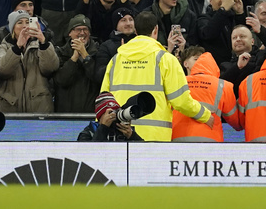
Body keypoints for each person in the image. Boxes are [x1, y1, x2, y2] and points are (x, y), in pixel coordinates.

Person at [100, 11, 214, 141]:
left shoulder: (116, 59)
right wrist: (205, 115)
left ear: (135, 30)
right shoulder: (166, 59)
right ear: (156, 30)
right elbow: (181, 101)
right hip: (154, 137)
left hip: (118, 133)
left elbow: (104, 100)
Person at [0, 9, 59, 113]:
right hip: (10, 108)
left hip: (39, 107)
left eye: (28, 22)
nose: (25, 26)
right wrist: (17, 48)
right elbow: (2, 70)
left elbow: (51, 68)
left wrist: (43, 43)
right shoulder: (4, 47)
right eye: (20, 22)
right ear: (12, 28)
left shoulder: (42, 45)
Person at [77, 91, 144, 142]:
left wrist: (132, 136)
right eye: (110, 112)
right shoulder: (89, 132)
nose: (113, 115)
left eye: (116, 111)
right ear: (100, 117)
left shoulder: (123, 131)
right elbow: (89, 156)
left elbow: (146, 154)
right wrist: (103, 128)